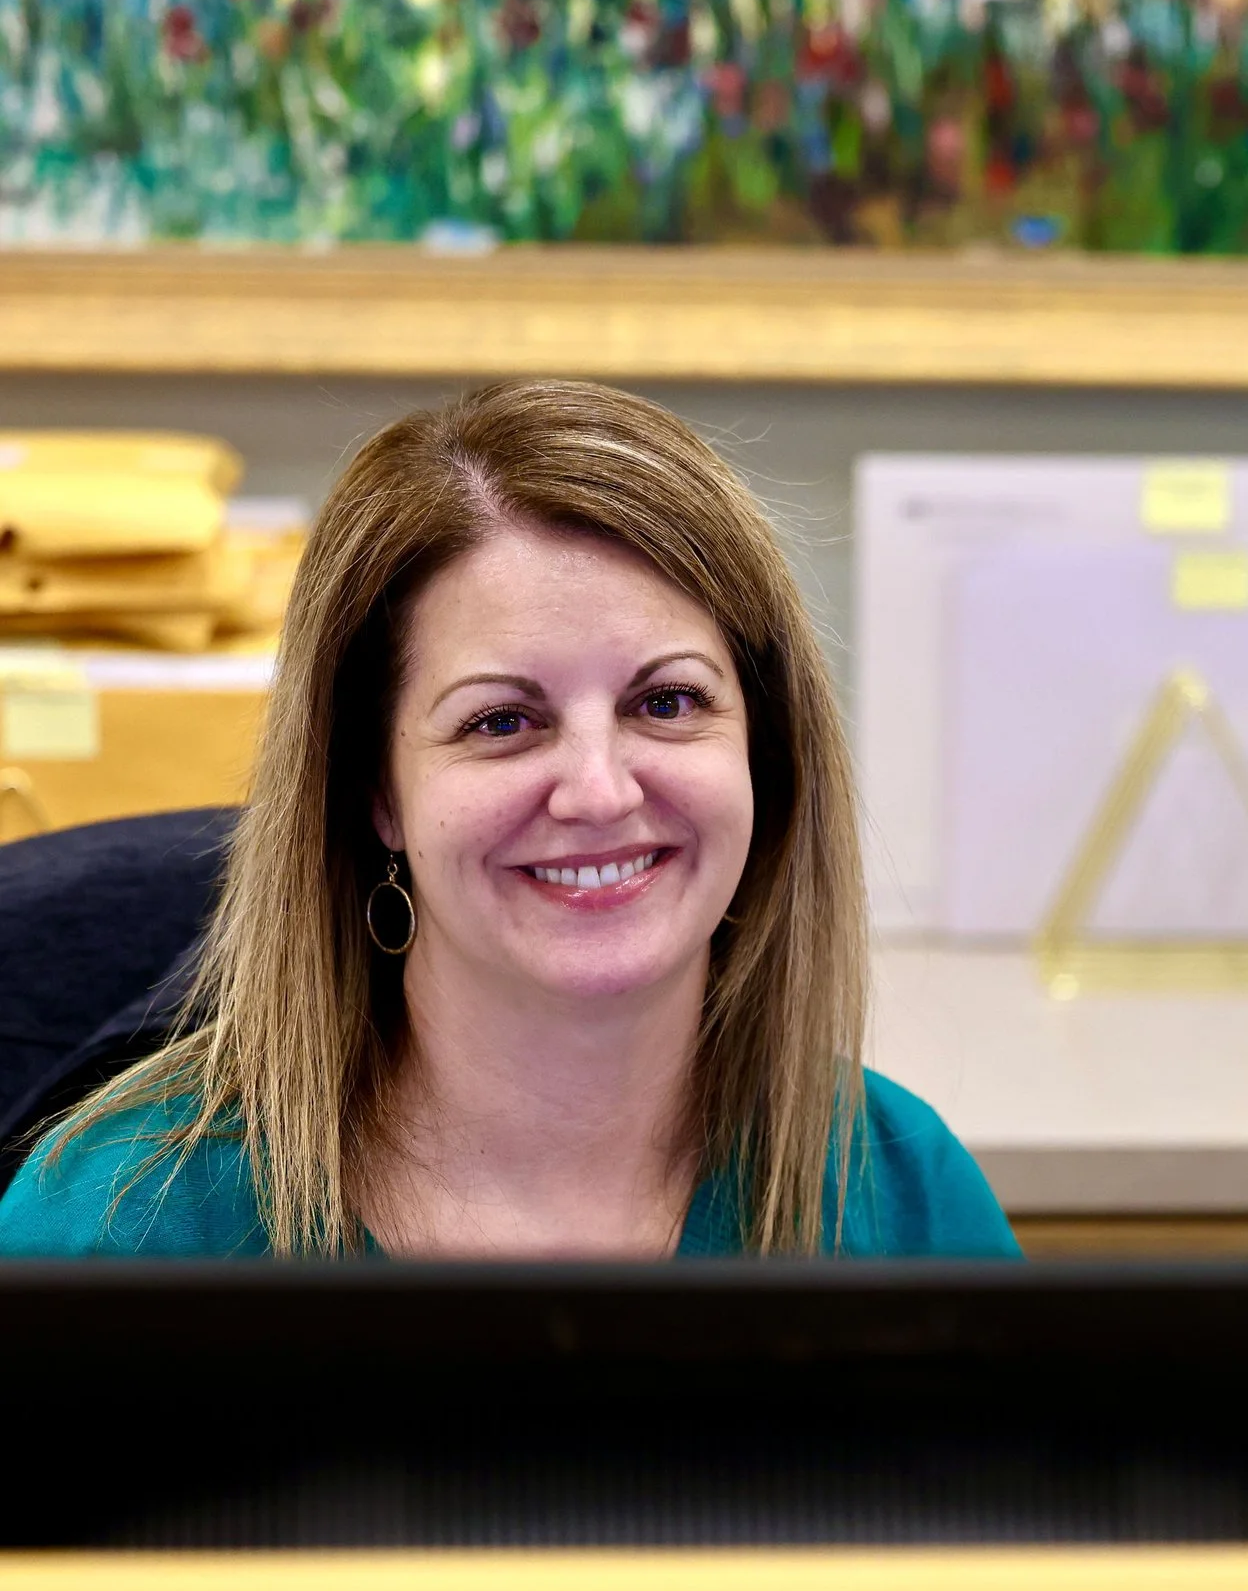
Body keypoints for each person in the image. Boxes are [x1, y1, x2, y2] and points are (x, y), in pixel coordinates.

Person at [0, 380, 1017, 1259]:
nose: (599, 789)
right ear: (376, 791)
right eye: (502, 720)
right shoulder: (114, 1234)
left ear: (765, 750)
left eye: (665, 701)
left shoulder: (905, 1202)